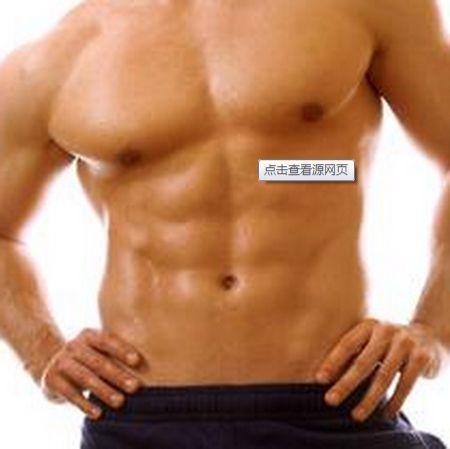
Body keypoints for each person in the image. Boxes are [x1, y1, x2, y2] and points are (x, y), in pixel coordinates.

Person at [0, 0, 449, 448]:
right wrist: (41, 353)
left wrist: (432, 330)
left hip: (337, 405)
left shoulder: (368, 8)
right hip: (139, 414)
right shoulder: (52, 61)